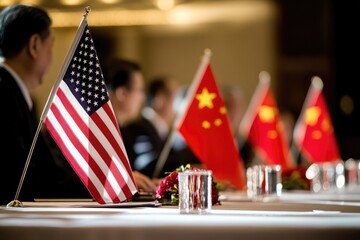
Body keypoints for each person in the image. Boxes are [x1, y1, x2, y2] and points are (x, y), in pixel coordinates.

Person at [0, 4, 60, 205]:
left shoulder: (15, 93)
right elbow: (26, 175)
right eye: (50, 48)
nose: (52, 59)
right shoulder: (4, 93)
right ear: (34, 45)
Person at [122, 76, 201, 178]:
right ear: (160, 98)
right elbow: (148, 166)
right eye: (176, 97)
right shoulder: (137, 128)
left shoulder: (165, 132)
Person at [105, 58, 158, 192]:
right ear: (122, 93)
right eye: (139, 90)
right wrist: (123, 180)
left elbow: (133, 174)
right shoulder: (97, 132)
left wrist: (149, 183)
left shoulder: (123, 130)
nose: (143, 98)